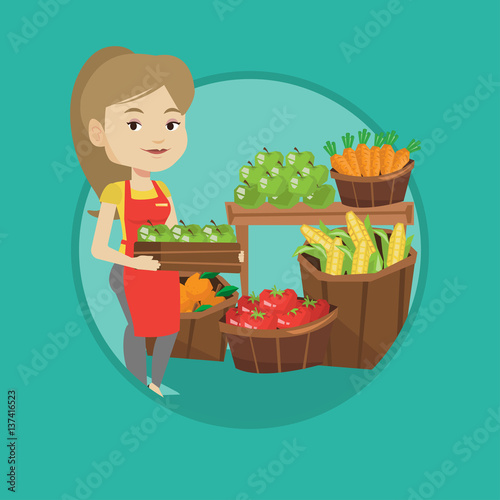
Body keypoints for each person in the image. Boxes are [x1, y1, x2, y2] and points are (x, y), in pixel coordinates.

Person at [71, 47, 195, 397]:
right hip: (130, 270)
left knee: (169, 329)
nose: (158, 138)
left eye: (171, 124)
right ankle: (138, 384)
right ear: (99, 134)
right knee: (139, 328)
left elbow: (174, 232)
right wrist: (134, 261)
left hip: (164, 270)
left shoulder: (163, 188)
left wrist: (205, 253)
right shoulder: (115, 191)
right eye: (134, 124)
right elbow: (99, 248)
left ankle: (157, 381)